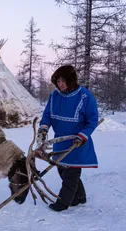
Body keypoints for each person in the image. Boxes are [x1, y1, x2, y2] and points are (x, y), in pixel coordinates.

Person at [37, 65, 99, 212]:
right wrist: (43, 129)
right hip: (60, 141)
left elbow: (92, 120)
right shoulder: (54, 96)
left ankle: (63, 202)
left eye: (64, 81)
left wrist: (82, 136)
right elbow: (47, 116)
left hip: (77, 143)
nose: (60, 84)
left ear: (71, 80)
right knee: (62, 171)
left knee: (71, 173)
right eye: (58, 81)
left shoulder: (84, 96)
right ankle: (80, 197)